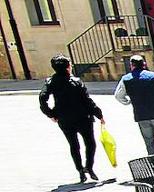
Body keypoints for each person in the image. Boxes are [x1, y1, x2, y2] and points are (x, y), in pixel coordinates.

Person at [39, 54, 105, 183]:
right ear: (68, 67)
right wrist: (98, 114)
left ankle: (80, 170)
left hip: (64, 118)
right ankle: (89, 167)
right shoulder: (76, 81)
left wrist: (51, 114)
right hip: (83, 117)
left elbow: (42, 98)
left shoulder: (51, 82)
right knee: (90, 143)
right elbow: (87, 100)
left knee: (74, 145)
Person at [113, 54, 154, 170]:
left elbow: (118, 96)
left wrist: (128, 102)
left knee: (149, 141)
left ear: (131, 66)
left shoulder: (126, 79)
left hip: (141, 115)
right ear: (144, 64)